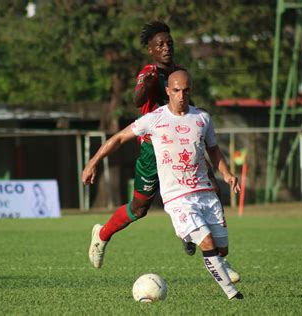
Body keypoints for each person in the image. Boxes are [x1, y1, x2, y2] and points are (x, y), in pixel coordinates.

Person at [87, 21, 240, 283]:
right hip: (152, 148)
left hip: (181, 144)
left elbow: (188, 108)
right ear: (151, 50)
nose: (166, 48)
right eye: (160, 45)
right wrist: (146, 85)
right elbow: (137, 100)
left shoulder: (180, 74)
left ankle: (218, 259)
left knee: (209, 186)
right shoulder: (148, 72)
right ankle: (102, 236)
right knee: (139, 208)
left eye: (169, 43)